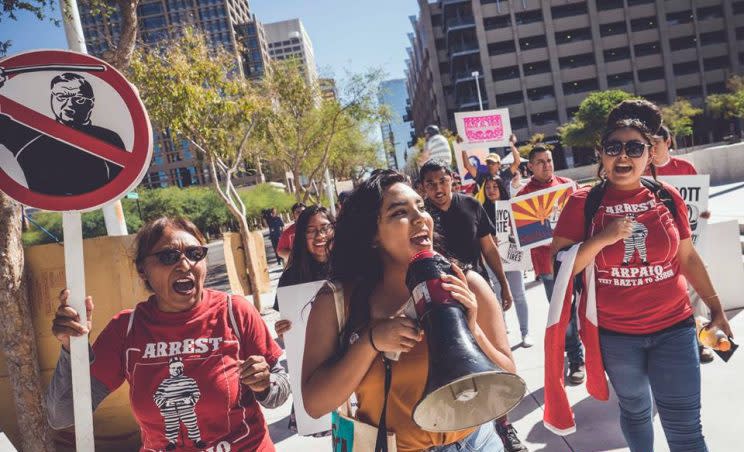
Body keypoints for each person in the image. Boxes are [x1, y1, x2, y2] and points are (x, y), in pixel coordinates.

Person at [550, 117, 732, 452]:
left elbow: (688, 257)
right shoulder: (583, 203)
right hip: (617, 337)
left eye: (634, 148)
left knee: (686, 427)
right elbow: (561, 265)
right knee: (635, 412)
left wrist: (717, 308)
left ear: (649, 155)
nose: (623, 155)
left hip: (675, 329)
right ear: (601, 155)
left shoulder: (667, 195)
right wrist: (603, 238)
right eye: (614, 147)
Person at [302, 169, 514, 451]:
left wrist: (472, 328)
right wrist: (370, 342)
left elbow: (508, 379)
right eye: (399, 212)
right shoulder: (337, 301)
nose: (420, 218)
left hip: (478, 443)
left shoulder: (466, 284)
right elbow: (315, 404)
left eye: (422, 207)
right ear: (373, 235)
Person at [45, 217, 289, 451]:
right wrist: (71, 348)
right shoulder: (126, 329)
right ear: (142, 270)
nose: (184, 264)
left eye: (195, 254)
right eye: (168, 256)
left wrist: (265, 385)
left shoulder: (235, 312)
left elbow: (280, 389)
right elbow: (62, 414)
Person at [419, 161, 527, 452]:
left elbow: (489, 248)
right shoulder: (422, 218)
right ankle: (470, 427)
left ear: (452, 180)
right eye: (431, 184)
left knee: (495, 362)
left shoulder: (471, 205)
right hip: (444, 303)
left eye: (442, 181)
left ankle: (505, 426)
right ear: (423, 188)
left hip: (479, 291)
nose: (438, 188)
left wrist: (503, 284)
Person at [516, 145, 585, 384]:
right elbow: (520, 238)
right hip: (548, 267)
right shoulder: (522, 197)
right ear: (530, 167)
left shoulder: (569, 186)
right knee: (565, 313)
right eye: (541, 162)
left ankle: (586, 352)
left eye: (549, 160)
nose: (546, 165)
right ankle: (576, 359)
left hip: (578, 257)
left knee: (584, 307)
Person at [0, 72, 125, 195]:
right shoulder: (25, 136)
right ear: (51, 99)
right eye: (61, 97)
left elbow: (121, 183)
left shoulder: (109, 138)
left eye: (79, 99)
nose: (69, 104)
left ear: (91, 103)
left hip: (97, 206)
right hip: (47, 209)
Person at [274, 205, 334, 436]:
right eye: (311, 231)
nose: (320, 236)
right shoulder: (292, 275)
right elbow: (286, 327)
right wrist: (283, 330)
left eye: (325, 228)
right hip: (317, 364)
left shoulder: (352, 266)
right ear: (301, 237)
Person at [481, 174, 532, 348]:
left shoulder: (513, 207)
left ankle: (526, 333)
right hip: (492, 260)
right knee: (497, 297)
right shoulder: (480, 210)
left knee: (518, 295)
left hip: (512, 256)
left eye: (495, 187)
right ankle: (502, 333)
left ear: (501, 188)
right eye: (488, 187)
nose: (491, 190)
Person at [462, 134, 521, 199]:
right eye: (488, 162)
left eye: (493, 163)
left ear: (499, 165)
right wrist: (463, 148)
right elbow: (467, 165)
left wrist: (511, 145)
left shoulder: (505, 174)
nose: (490, 165)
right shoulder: (482, 176)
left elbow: (517, 162)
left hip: (505, 206)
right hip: (488, 207)